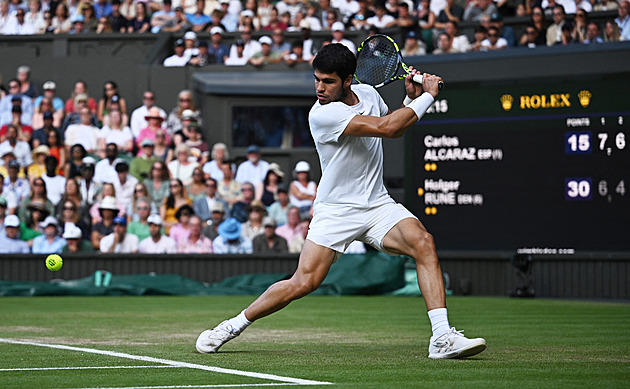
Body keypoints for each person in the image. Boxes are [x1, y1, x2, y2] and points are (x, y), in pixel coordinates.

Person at [196, 43, 486, 359]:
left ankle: (442, 336)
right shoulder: (323, 114)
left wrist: (409, 100)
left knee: (423, 243)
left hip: (376, 204)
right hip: (335, 212)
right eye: (316, 79)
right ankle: (232, 326)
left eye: (328, 81)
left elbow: (396, 127)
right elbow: (388, 129)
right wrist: (427, 96)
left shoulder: (371, 96)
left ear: (348, 80)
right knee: (302, 283)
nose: (319, 87)